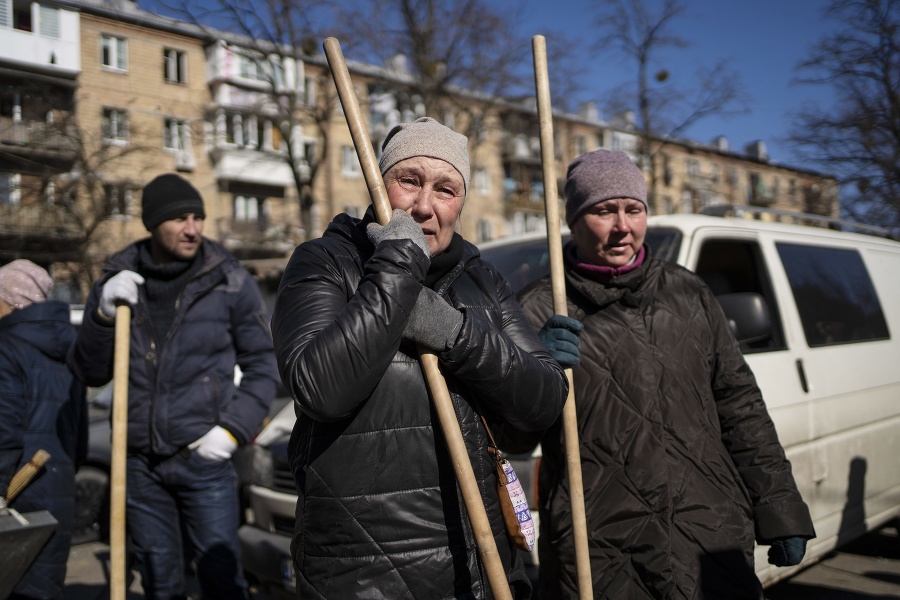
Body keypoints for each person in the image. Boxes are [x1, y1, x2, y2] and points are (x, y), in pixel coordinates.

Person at [271, 117, 568, 599]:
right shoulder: (326, 262)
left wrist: (453, 332)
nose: (425, 206)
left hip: (481, 571)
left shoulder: (482, 281)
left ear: (462, 202)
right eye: (408, 181)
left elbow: (541, 404)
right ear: (378, 182)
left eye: (446, 189)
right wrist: (397, 268)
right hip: (365, 578)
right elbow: (319, 390)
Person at [517, 149, 816, 599]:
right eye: (603, 211)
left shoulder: (687, 292)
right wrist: (532, 374)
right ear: (574, 220)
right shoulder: (539, 309)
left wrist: (780, 508)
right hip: (602, 550)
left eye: (633, 209)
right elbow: (510, 440)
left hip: (708, 533)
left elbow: (740, 406)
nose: (623, 226)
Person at [67, 173, 279, 599]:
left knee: (221, 577)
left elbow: (263, 365)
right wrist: (104, 314)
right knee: (161, 580)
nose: (192, 228)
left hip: (203, 458)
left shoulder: (230, 280)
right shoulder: (118, 280)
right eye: (180, 218)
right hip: (140, 464)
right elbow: (89, 371)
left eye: (198, 217)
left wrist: (231, 432)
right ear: (152, 223)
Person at [0, 259, 87, 600]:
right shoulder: (73, 350)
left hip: (15, 495)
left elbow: (3, 427)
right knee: (43, 588)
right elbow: (78, 436)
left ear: (13, 301)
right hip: (57, 490)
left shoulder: (5, 347)